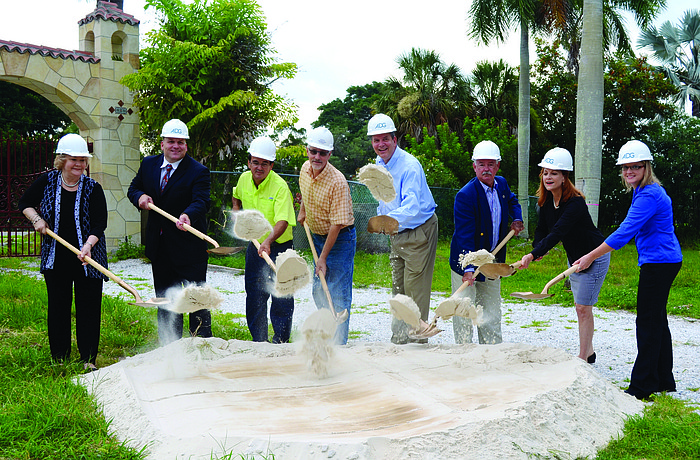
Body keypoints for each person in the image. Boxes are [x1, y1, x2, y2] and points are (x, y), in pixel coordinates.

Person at [574, 140, 682, 400]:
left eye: (635, 167)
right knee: (656, 320)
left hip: (660, 263)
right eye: (625, 168)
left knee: (647, 321)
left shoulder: (649, 195)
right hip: (662, 260)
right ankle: (662, 380)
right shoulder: (644, 190)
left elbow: (624, 233)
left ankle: (641, 387)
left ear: (646, 167)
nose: (629, 172)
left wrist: (589, 256)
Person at [18, 133, 107, 372]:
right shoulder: (46, 181)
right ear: (62, 160)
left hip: (88, 257)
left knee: (89, 308)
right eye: (73, 159)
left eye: (83, 160)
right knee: (58, 307)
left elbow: (100, 222)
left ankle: (88, 359)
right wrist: (37, 219)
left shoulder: (93, 188)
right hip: (56, 257)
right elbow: (24, 203)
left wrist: (88, 245)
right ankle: (59, 357)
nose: (79, 164)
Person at [517, 148, 609, 363]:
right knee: (581, 307)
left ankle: (582, 358)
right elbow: (542, 229)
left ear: (564, 177)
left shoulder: (575, 203)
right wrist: (537, 248)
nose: (548, 177)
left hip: (593, 256)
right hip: (575, 258)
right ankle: (589, 351)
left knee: (583, 307)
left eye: (554, 173)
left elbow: (558, 232)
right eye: (545, 173)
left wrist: (533, 254)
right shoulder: (546, 201)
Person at [127, 119, 212, 345]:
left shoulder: (198, 171)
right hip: (160, 246)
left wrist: (188, 214)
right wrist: (140, 198)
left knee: (196, 299)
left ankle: (201, 345)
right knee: (165, 299)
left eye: (181, 142)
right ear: (162, 143)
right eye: (171, 141)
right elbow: (134, 188)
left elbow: (202, 201)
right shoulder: (148, 164)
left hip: (189, 248)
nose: (176, 146)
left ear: (186, 145)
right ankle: (170, 345)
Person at [368, 113, 438, 344]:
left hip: (419, 229)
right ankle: (399, 341)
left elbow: (411, 207)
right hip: (396, 231)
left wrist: (384, 220)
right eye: (376, 140)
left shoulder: (409, 166)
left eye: (385, 139)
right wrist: (383, 220)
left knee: (414, 290)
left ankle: (418, 342)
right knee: (398, 290)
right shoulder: (378, 165)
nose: (380, 144)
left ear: (394, 139)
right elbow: (383, 198)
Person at [449, 140, 523, 344]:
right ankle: (464, 352)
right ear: (474, 166)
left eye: (491, 164)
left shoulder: (502, 185)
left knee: (490, 310)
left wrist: (517, 218)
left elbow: (513, 201)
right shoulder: (465, 196)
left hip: (492, 260)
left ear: (497, 165)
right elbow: (464, 235)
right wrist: (468, 268)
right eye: (481, 164)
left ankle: (491, 351)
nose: (486, 169)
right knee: (465, 309)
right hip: (465, 260)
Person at [232, 136, 296, 343]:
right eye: (256, 162)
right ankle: (259, 341)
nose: (260, 167)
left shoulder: (280, 186)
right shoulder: (243, 179)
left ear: (271, 165)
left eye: (265, 163)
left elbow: (283, 221)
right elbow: (236, 196)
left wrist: (268, 241)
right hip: (255, 245)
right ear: (249, 161)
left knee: (281, 294)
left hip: (280, 247)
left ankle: (280, 340)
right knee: (255, 294)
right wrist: (237, 214)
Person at [298, 127, 356, 345]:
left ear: (330, 155)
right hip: (317, 235)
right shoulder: (305, 168)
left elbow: (336, 224)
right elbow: (306, 191)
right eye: (313, 151)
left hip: (340, 238)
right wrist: (303, 210)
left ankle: (338, 344)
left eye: (323, 153)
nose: (317, 157)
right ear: (307, 151)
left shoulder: (338, 182)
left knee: (337, 292)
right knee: (318, 289)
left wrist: (322, 258)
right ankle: (326, 331)